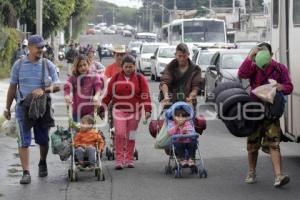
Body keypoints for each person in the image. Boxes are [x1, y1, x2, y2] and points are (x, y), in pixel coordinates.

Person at [3, 35, 60, 184]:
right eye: (38, 47)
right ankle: (26, 172)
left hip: (43, 107)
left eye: (42, 47)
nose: (41, 50)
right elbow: (12, 87)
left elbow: (58, 85)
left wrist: (45, 90)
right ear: (29, 47)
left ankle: (42, 161)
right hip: (23, 107)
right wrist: (7, 108)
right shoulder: (19, 64)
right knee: (23, 140)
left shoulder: (48, 65)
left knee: (43, 139)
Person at [238, 42, 294, 187]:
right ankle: (251, 172)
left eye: (264, 53)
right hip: (255, 111)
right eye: (258, 52)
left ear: (270, 55)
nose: (261, 56)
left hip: (271, 112)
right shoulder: (253, 66)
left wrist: (280, 86)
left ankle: (278, 176)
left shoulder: (279, 68)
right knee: (252, 144)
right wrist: (250, 56)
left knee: (274, 144)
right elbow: (241, 74)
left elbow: (289, 86)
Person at [100, 55, 152, 169]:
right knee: (119, 134)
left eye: (131, 67)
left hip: (135, 112)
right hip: (119, 110)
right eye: (126, 67)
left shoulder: (140, 78)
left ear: (134, 67)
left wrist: (148, 110)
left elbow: (145, 95)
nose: (128, 69)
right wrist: (102, 107)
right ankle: (119, 159)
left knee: (131, 135)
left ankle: (129, 159)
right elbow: (108, 94)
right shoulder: (116, 78)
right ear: (122, 67)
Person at [160, 43, 202, 108]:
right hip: (171, 102)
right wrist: (166, 96)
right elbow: (165, 82)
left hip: (188, 102)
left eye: (184, 56)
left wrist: (191, 97)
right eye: (179, 56)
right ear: (175, 55)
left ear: (188, 55)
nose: (182, 59)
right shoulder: (170, 66)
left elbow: (196, 87)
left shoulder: (195, 69)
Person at [64, 54, 103, 122]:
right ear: (76, 67)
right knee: (78, 131)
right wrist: (67, 95)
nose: (83, 67)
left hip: (90, 112)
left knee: (90, 132)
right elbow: (67, 86)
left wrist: (97, 95)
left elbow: (98, 86)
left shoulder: (94, 76)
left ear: (88, 64)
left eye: (85, 65)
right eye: (80, 66)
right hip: (77, 112)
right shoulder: (73, 77)